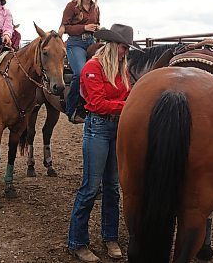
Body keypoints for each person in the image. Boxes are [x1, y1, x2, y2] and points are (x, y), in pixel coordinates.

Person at [68, 24, 140, 262]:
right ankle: (78, 241)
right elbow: (97, 104)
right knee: (90, 187)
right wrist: (129, 107)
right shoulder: (92, 67)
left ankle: (111, 237)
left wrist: (131, 103)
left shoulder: (122, 69)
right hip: (97, 127)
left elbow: (128, 95)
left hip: (118, 128)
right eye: (122, 47)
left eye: (127, 48)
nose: (125, 52)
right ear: (111, 46)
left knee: (112, 187)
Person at [60, 0, 105, 124]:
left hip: (91, 42)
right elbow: (65, 27)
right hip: (75, 43)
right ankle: (71, 108)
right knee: (80, 73)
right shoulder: (71, 6)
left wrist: (98, 30)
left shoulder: (95, 8)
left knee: (102, 70)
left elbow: (97, 23)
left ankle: (96, 105)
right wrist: (84, 27)